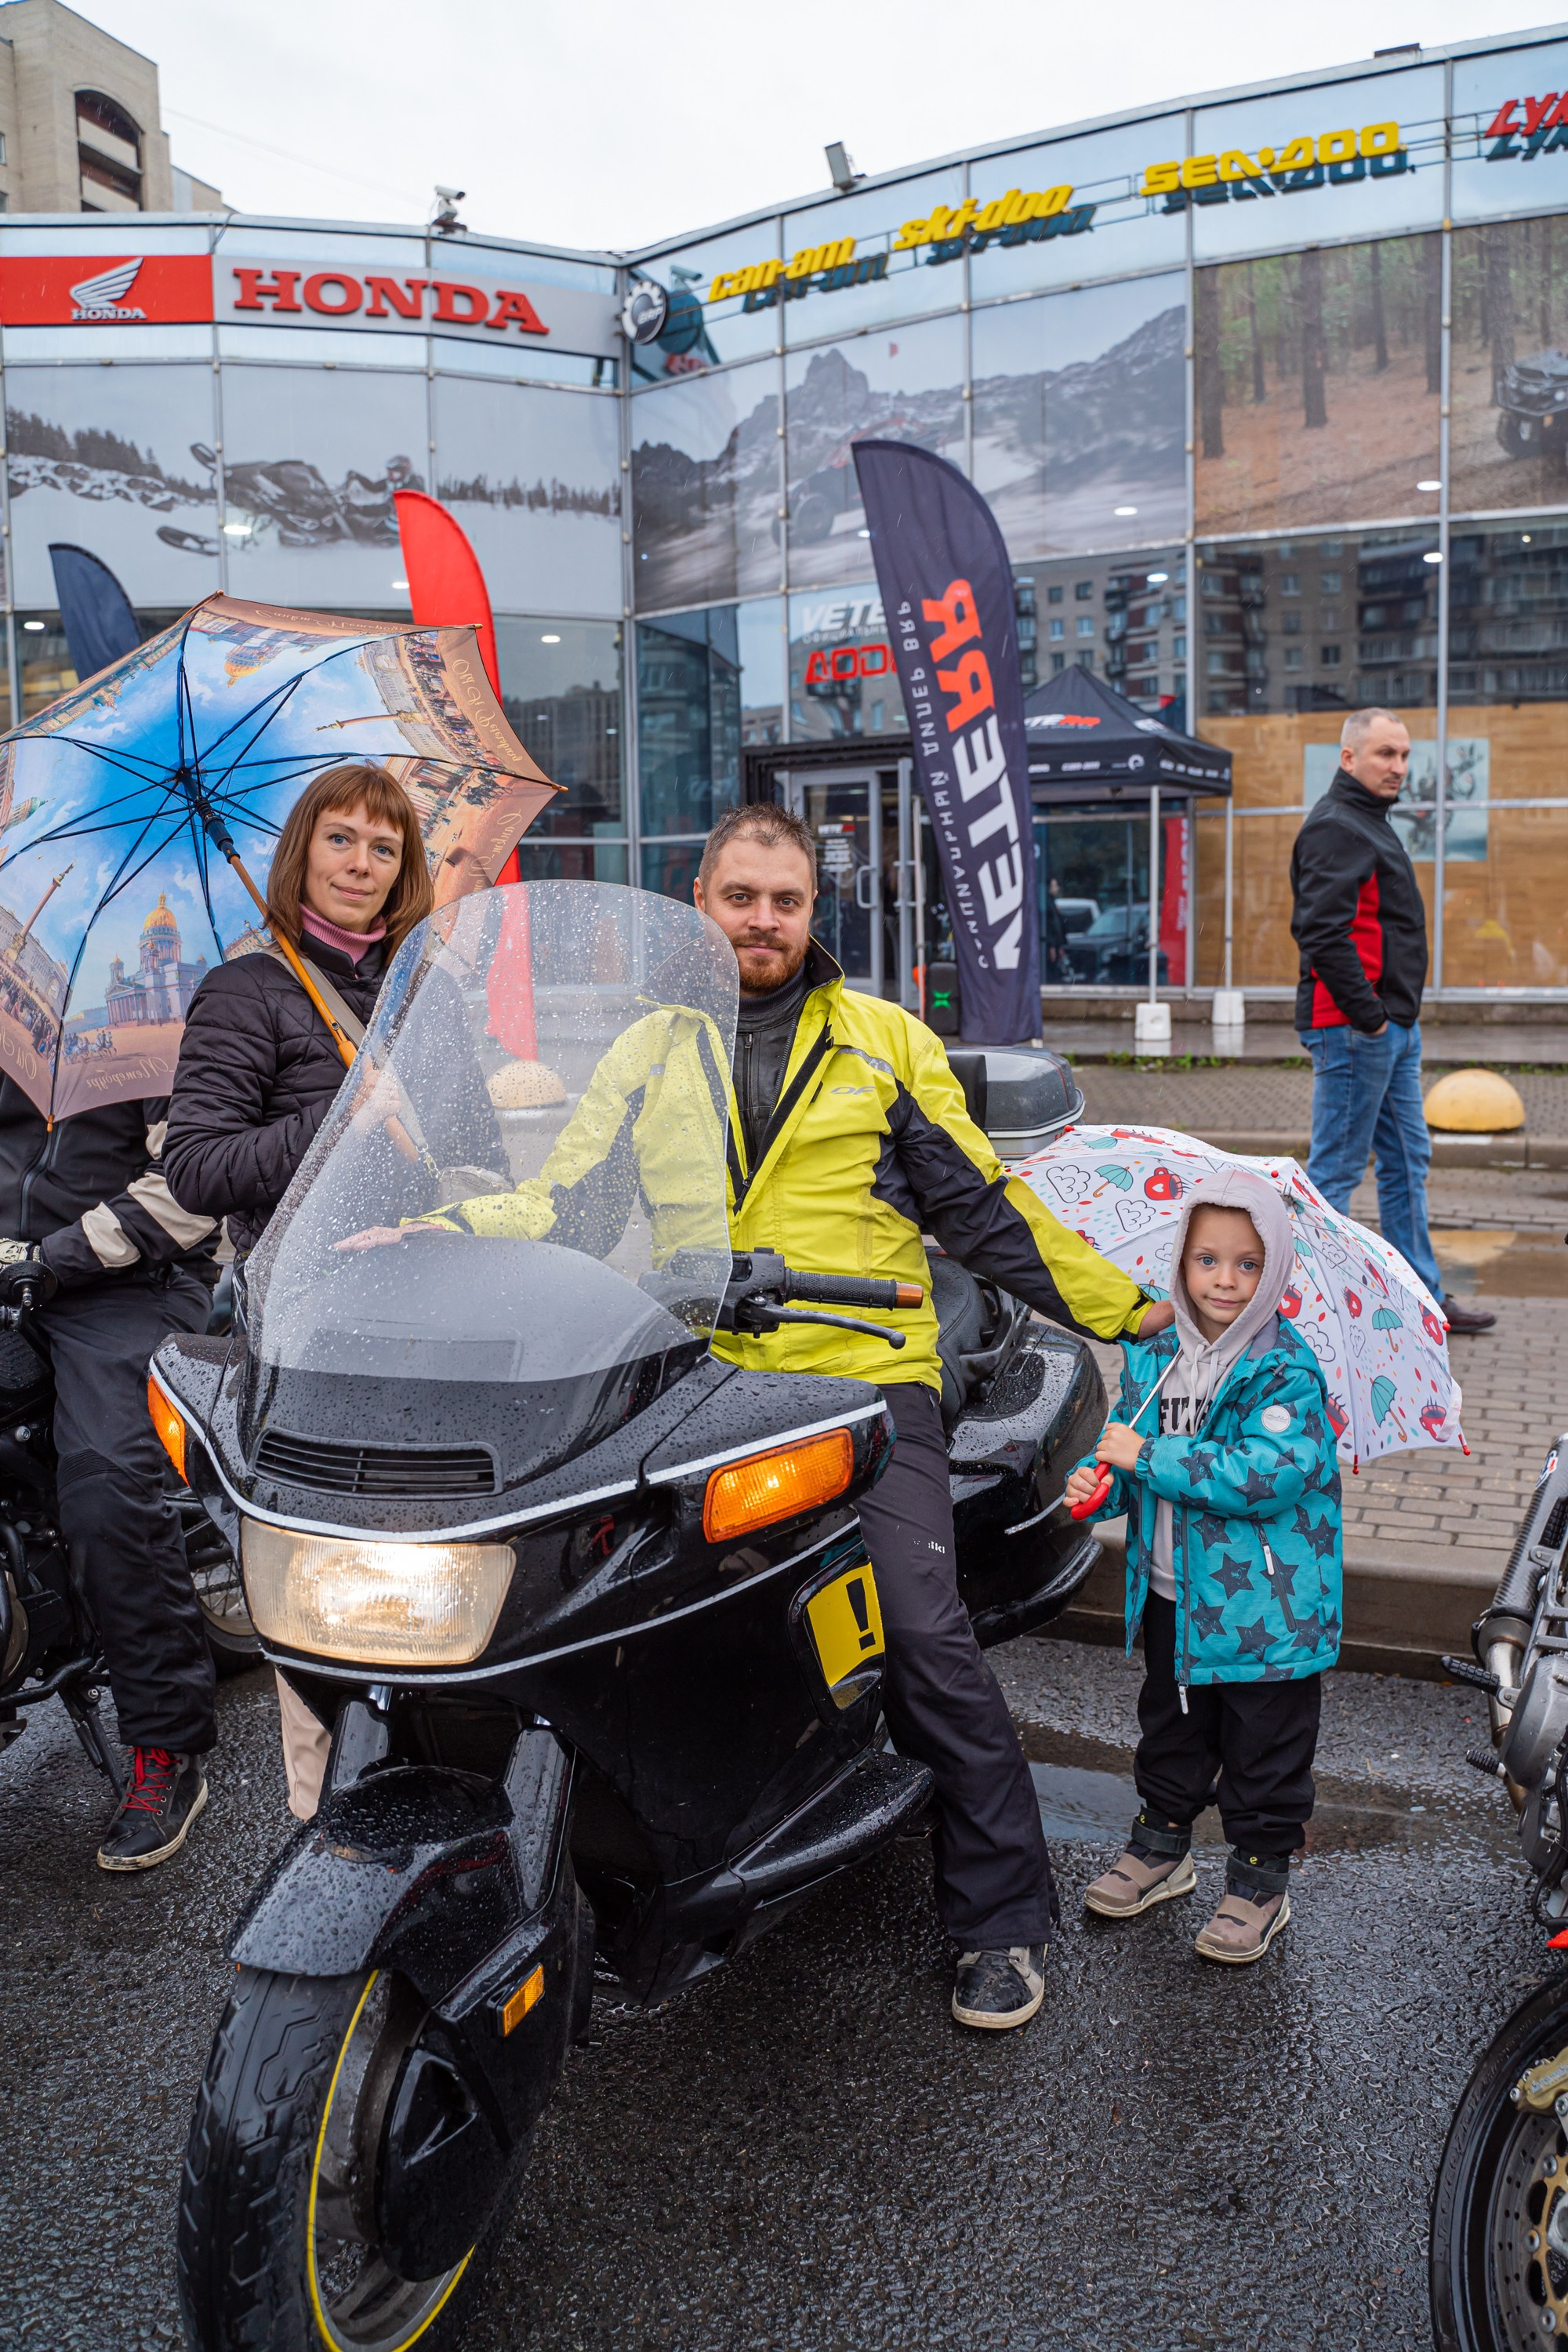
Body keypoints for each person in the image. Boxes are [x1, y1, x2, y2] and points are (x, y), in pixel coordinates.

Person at [352, 804, 1177, 2031]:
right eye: (742, 897)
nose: (764, 921)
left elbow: (986, 1209)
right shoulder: (650, 1044)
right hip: (707, 1370)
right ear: (701, 900)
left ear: (811, 913)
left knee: (923, 1627)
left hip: (866, 1369)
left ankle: (1000, 1917)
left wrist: (1137, 1313)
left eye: (785, 902)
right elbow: (568, 1203)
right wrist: (441, 1233)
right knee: (608, 1589)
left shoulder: (881, 1039)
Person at [164, 763, 433, 1815]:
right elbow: (197, 1167)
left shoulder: (421, 983)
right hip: (311, 1323)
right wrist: (338, 1123)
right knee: (327, 1584)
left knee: (430, 1576)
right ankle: (327, 1820)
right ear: (301, 855)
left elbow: (476, 1151)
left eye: (384, 845)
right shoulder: (247, 990)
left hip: (434, 1309)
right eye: (342, 841)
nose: (363, 864)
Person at [1065, 1168, 1341, 1965]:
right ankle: (1161, 1844)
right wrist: (1100, 1483)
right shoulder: (1154, 1357)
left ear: (1273, 1271)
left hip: (1265, 1616)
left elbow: (1264, 1475)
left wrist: (1145, 1454)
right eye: (1206, 1261)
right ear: (1178, 1264)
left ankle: (1258, 1881)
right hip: (1170, 1594)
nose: (1224, 1281)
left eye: (1247, 1264)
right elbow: (1129, 1455)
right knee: (1170, 1729)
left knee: (1264, 1749)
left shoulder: (1281, 1372)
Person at [0, 1061, 222, 1868]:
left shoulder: (156, 1031)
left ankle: (166, 1750)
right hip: (9, 1272)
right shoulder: (20, 1009)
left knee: (104, 1488)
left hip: (127, 1280)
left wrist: (52, 1255)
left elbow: (191, 1185)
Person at [1290, 708, 1494, 1337]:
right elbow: (1321, 932)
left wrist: (1389, 1022)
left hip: (1390, 1029)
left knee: (1408, 1163)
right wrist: (1371, 1019)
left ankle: (1422, 1298)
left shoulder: (1369, 824)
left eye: (1404, 756)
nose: (1398, 767)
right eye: (1385, 754)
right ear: (1348, 758)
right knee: (1335, 1173)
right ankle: (1309, 1309)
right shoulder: (1336, 827)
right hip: (1358, 1030)